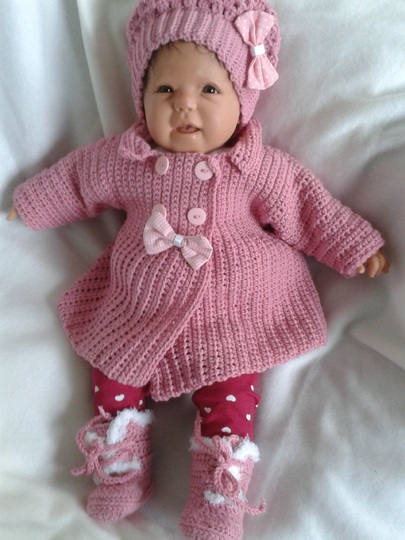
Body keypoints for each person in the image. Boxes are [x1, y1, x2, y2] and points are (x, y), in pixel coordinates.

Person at [7, 1, 389, 539]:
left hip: (234, 311)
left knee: (231, 393)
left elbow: (305, 207)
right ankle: (122, 460)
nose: (185, 104)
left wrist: (352, 244)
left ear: (242, 99)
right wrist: (33, 203)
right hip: (140, 304)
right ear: (141, 99)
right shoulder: (127, 160)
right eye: (165, 90)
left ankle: (220, 488)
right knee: (112, 371)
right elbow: (77, 181)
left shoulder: (255, 166)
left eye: (209, 89)